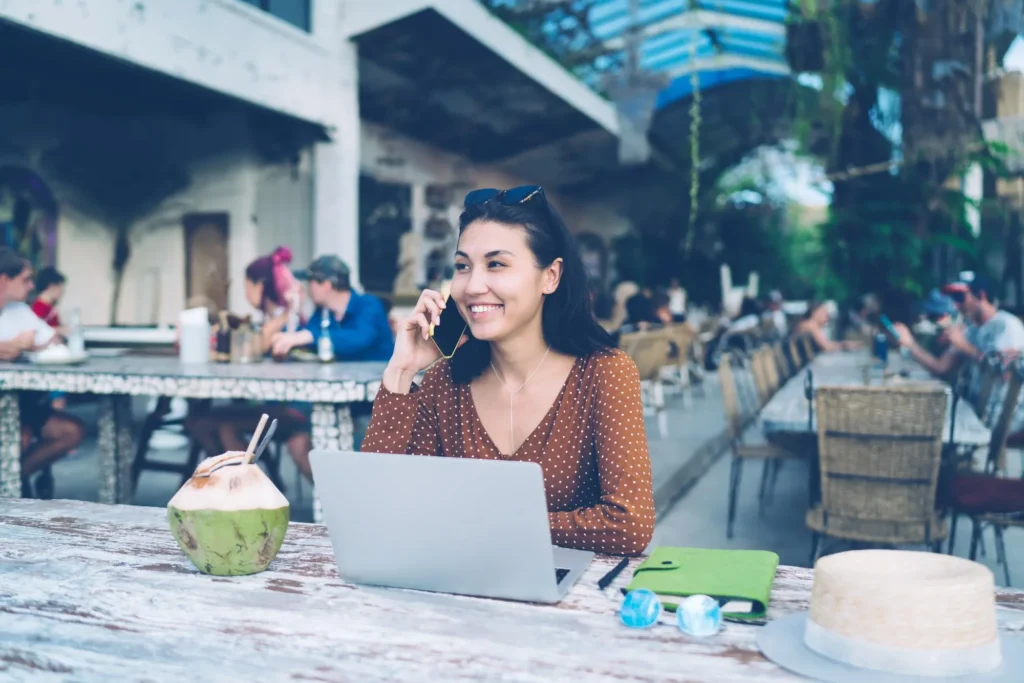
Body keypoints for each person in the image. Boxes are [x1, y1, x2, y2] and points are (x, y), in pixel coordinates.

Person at [361, 185, 655, 556]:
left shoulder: (603, 374)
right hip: (457, 592)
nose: (473, 286)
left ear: (550, 276)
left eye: (496, 264)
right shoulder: (444, 382)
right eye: (463, 266)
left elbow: (630, 524)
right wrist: (402, 371)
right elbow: (378, 510)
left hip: (570, 599)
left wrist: (487, 523)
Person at [185, 248, 312, 479]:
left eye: (247, 287)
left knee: (223, 426)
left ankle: (251, 489)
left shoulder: (286, 317)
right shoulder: (276, 317)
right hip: (272, 403)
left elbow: (254, 348)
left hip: (294, 406)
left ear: (260, 285)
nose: (245, 293)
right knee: (199, 422)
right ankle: (231, 483)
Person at [0, 248, 85, 497]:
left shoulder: (19, 312)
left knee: (71, 431)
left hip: (20, 404)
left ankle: (10, 483)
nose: (30, 286)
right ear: (4, 279)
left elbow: (53, 341)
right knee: (19, 437)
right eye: (25, 279)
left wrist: (26, 346)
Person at [894, 272, 1024, 382]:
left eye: (960, 297)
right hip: (973, 406)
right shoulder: (970, 329)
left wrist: (964, 346)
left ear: (981, 295)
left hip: (998, 411)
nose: (956, 304)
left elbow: (1007, 375)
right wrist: (910, 344)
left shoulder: (1006, 325)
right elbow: (941, 367)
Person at [270, 255, 393, 362]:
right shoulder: (324, 313)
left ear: (326, 285)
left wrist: (308, 336)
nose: (308, 288)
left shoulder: (369, 305)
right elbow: (302, 343)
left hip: (378, 383)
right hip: (342, 384)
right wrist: (294, 310)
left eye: (310, 282)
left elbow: (359, 338)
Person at [792, 300, 860, 353]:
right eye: (823, 312)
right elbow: (826, 347)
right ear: (814, 313)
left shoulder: (808, 324)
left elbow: (827, 344)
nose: (826, 315)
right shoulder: (811, 325)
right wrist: (846, 345)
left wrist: (845, 344)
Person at [30, 267, 68, 336]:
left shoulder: (48, 305)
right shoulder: (39, 306)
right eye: (60, 286)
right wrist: (59, 330)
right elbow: (36, 331)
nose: (62, 291)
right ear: (51, 286)